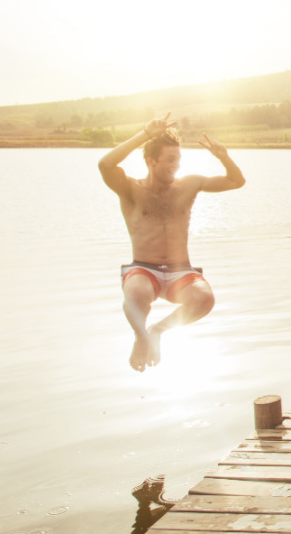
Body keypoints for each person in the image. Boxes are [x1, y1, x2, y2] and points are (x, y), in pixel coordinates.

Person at [98, 114, 246, 372]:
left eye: (178, 160)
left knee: (204, 300)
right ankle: (141, 336)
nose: (176, 166)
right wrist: (145, 134)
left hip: (181, 271)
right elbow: (105, 165)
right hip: (143, 269)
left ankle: (156, 331)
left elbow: (237, 182)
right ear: (150, 161)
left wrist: (223, 157)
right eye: (169, 160)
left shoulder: (189, 185)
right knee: (137, 294)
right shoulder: (130, 189)